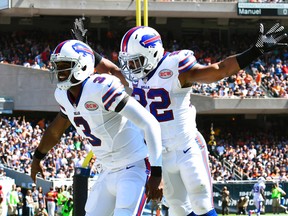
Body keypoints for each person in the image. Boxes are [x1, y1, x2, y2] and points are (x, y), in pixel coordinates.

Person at [114, 23, 287, 216]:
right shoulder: (136, 75)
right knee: (178, 208)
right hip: (159, 154)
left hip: (186, 145)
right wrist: (86, 54)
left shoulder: (176, 66)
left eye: (135, 61)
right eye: (128, 62)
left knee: (200, 198)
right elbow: (110, 70)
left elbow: (220, 69)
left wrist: (255, 51)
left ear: (153, 54)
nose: (130, 67)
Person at [30, 39, 163, 216]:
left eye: (64, 65)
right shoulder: (63, 95)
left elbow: (149, 122)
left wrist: (156, 173)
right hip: (107, 170)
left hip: (134, 166)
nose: (58, 71)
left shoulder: (100, 88)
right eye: (57, 66)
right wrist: (37, 157)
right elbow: (56, 130)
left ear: (82, 65)